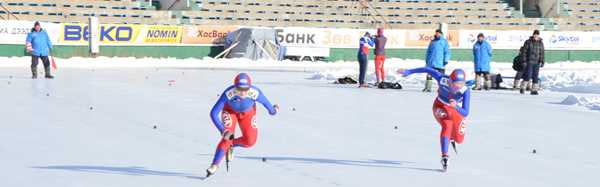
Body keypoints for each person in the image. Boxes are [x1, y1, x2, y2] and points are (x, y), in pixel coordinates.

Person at [206, 73, 279, 177]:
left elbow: (266, 104)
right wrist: (223, 130)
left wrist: (273, 111)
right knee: (227, 138)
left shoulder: (255, 92)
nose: (243, 92)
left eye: (246, 89)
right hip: (230, 111)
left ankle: (231, 145)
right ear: (235, 87)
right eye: (239, 89)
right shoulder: (228, 93)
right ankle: (214, 165)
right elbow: (213, 113)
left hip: (248, 113)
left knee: (250, 141)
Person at [398, 67, 470, 171]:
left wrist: (456, 107)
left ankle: (452, 137)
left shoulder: (465, 90)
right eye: (456, 84)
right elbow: (428, 70)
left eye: (461, 84)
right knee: (447, 125)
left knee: (459, 139)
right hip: (439, 106)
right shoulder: (442, 79)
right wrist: (409, 71)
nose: (458, 87)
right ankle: (445, 155)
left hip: (455, 110)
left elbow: (466, 112)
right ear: (450, 81)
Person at [520, 30, 545, 95]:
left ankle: (534, 90)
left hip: (537, 62)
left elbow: (542, 53)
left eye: (537, 34)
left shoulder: (541, 43)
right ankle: (522, 87)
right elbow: (524, 52)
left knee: (535, 76)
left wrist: (542, 61)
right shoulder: (528, 42)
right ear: (533, 35)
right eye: (535, 34)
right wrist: (524, 61)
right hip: (529, 61)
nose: (536, 36)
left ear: (538, 35)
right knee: (528, 75)